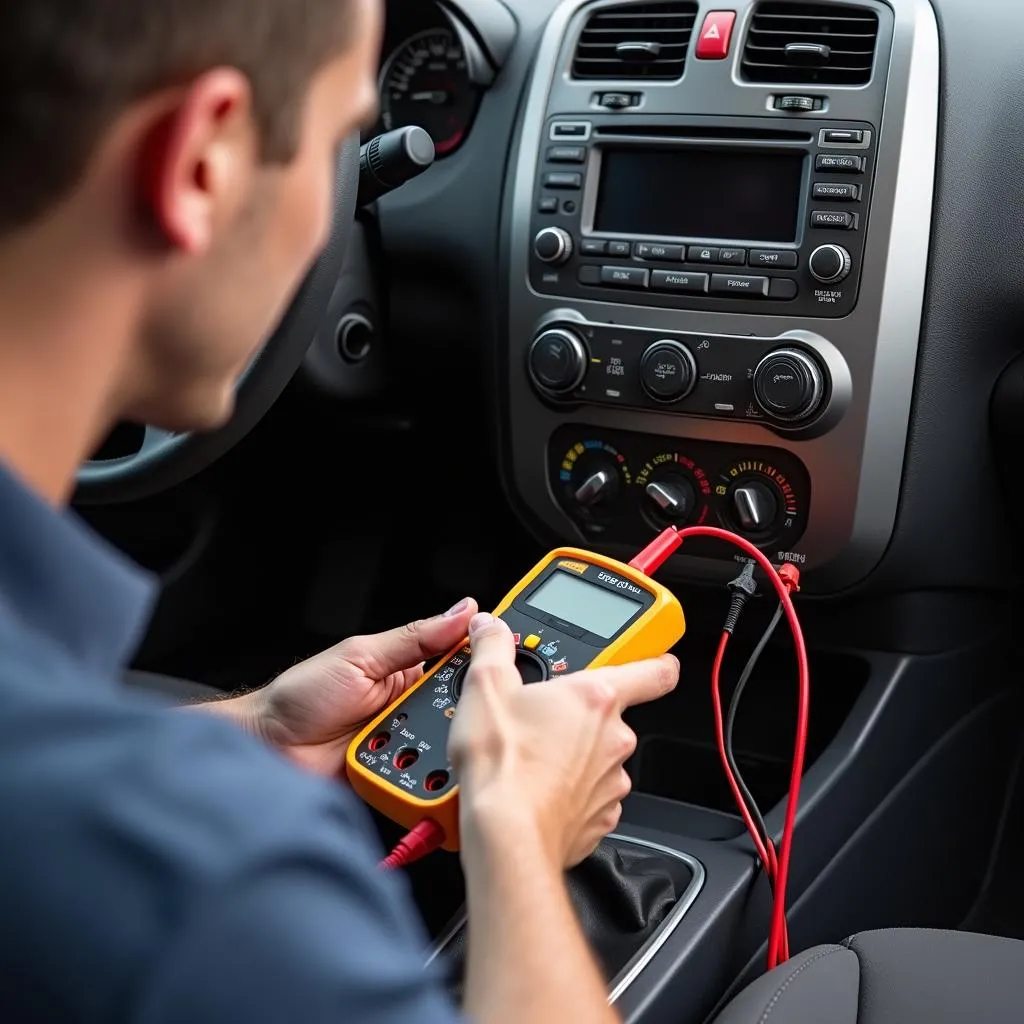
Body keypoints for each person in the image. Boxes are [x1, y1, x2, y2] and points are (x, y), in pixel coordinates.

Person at [0, 1, 680, 1021]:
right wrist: (516, 832)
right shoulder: (216, 883)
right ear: (203, 161)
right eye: (334, 145)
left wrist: (257, 728)